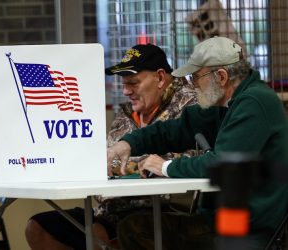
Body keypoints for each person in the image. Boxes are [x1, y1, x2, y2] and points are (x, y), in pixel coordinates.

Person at [107, 36, 288, 250]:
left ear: (221, 77)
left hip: (248, 230)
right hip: (227, 221)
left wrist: (165, 166)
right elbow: (174, 130)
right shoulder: (227, 103)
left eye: (196, 77)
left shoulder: (254, 103)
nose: (192, 84)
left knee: (136, 229)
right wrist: (128, 143)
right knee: (137, 226)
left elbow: (222, 164)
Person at [25, 44, 197, 250]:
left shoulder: (190, 104)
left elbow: (186, 158)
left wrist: (120, 166)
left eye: (133, 83)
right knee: (38, 228)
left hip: (163, 210)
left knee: (97, 234)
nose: (125, 91)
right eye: (123, 84)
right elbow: (105, 159)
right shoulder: (127, 113)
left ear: (160, 78)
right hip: (111, 210)